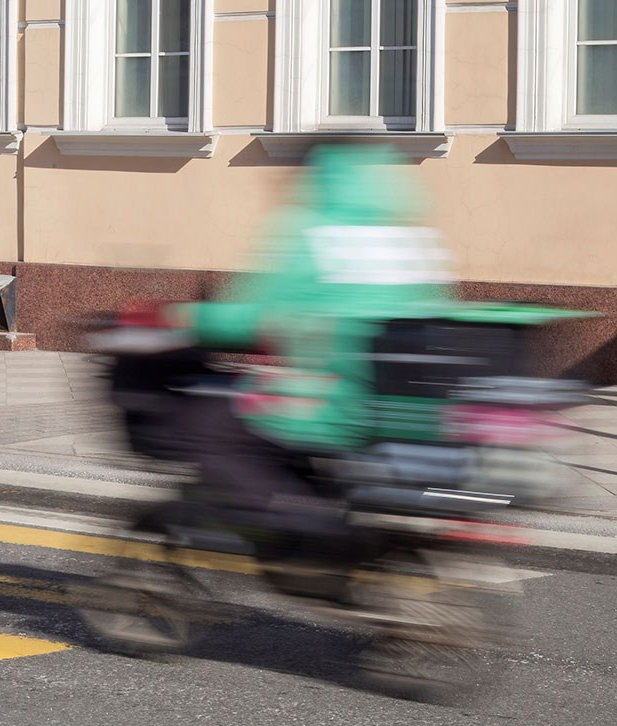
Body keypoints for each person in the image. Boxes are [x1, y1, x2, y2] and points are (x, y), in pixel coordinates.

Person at [180, 140, 455, 521]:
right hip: (411, 416)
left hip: (336, 403)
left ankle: (304, 523)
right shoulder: (413, 239)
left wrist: (184, 318)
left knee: (208, 426)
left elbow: (251, 316)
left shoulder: (312, 232)